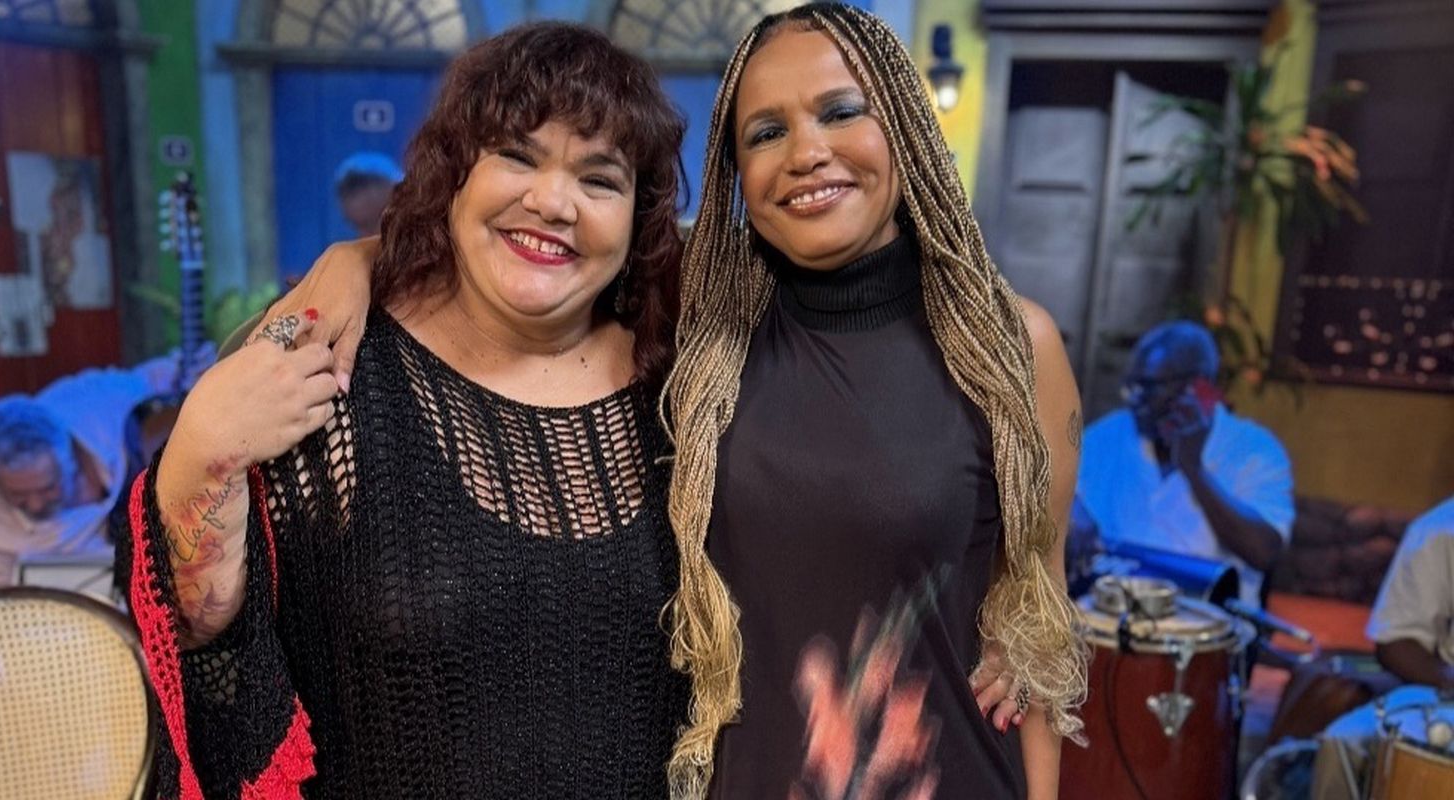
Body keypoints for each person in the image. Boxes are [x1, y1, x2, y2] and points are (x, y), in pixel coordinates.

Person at [266, 5, 1083, 798]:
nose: (807, 152)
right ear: (738, 174)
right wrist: (356, 261)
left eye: (841, 112)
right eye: (766, 132)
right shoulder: (703, 321)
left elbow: (1037, 637)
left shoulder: (1011, 346)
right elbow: (542, 243)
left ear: (904, 126)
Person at [125, 24, 691, 798]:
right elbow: (204, 633)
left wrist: (360, 252)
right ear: (454, 175)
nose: (552, 201)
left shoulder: (684, 387)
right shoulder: (334, 370)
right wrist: (200, 447)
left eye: (600, 180)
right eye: (517, 156)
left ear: (638, 217)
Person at [0, 348, 211, 596]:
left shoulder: (95, 404)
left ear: (71, 457)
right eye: (17, 495)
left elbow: (158, 378)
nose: (35, 504)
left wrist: (196, 370)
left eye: (48, 487)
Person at [1073, 320, 1295, 605]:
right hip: (1106, 616)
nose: (1134, 399)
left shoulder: (1254, 449)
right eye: (1131, 386)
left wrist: (1193, 468)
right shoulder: (1103, 437)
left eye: (1149, 387)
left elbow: (1263, 553)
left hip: (1210, 622)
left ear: (1197, 387)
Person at [1309, 493, 1454, 800]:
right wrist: (1448, 680)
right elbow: (1396, 642)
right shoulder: (1441, 527)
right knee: (1342, 742)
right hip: (1447, 695)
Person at [334, 151, 403, 238]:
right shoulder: (344, 247)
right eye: (349, 192)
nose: (358, 198)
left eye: (364, 186)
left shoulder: (414, 237)